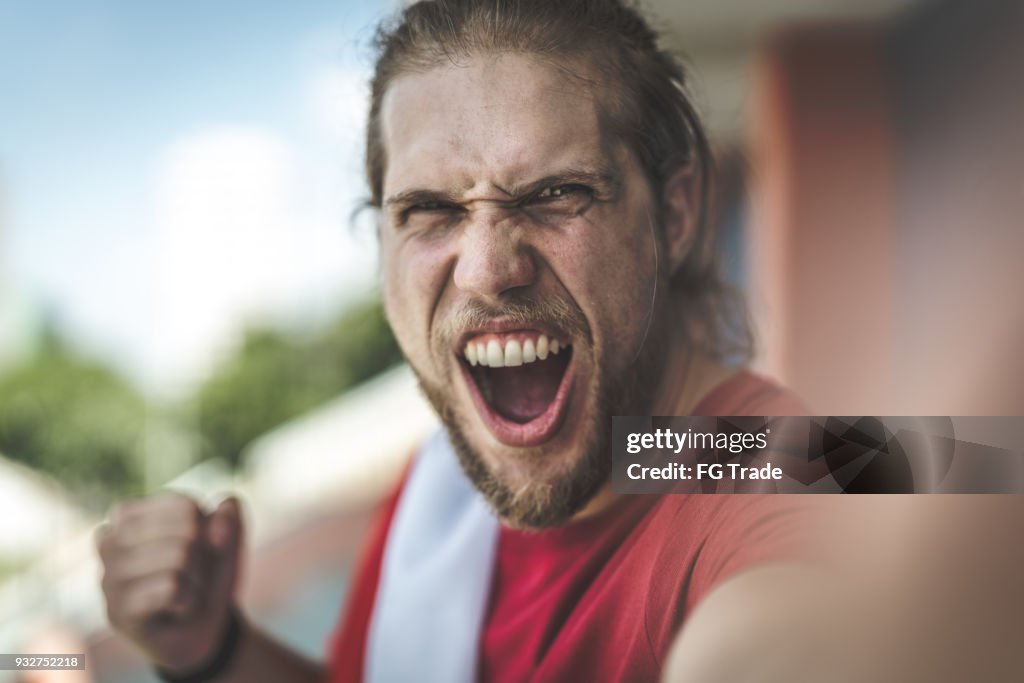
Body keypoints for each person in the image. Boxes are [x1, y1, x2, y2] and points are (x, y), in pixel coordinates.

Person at [95, 1, 1024, 682]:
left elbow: (795, 592)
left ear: (675, 210)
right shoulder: (440, 502)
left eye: (554, 194)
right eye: (427, 212)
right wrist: (214, 649)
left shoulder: (763, 472)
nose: (487, 267)